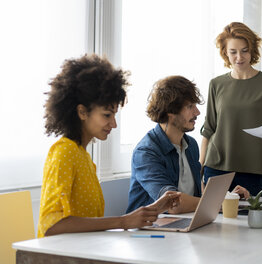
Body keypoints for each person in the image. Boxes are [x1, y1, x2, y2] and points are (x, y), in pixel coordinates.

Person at [38, 54, 180, 238]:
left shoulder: (82, 155)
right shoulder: (64, 152)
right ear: (82, 112)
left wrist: (152, 209)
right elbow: (51, 225)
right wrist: (123, 221)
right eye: (107, 115)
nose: (113, 124)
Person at [126, 76, 249, 214]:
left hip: (185, 223)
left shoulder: (191, 145)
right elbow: (172, 203)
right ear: (170, 111)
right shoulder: (146, 152)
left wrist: (229, 197)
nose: (197, 112)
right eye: (190, 106)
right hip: (151, 229)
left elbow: (195, 199)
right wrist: (221, 202)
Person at [200, 22, 262, 196]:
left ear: (253, 50)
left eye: (244, 50)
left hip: (252, 170)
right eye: (233, 52)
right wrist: (199, 169)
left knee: (255, 220)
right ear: (225, 52)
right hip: (215, 168)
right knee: (215, 222)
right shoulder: (216, 84)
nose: (239, 57)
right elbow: (209, 129)